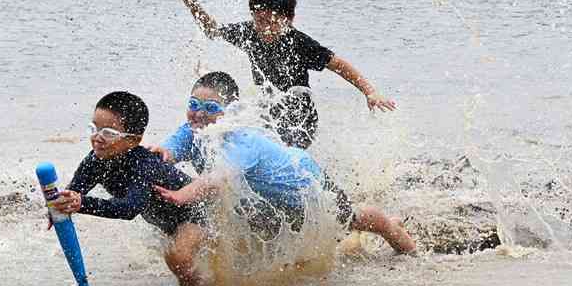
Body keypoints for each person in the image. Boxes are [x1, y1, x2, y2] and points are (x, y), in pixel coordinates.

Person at [150, 72, 416, 254]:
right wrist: (156, 152)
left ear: (230, 112)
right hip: (268, 199)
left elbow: (218, 180)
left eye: (210, 108)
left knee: (348, 219)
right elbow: (169, 150)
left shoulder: (241, 141)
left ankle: (396, 235)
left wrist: (182, 194)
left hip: (304, 183)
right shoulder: (192, 130)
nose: (199, 113)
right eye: (194, 103)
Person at [175, 0, 396, 149]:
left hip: (300, 118)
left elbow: (339, 65)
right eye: (258, 20)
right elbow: (212, 30)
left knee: (281, 155)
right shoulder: (249, 33)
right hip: (268, 110)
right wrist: (192, 4)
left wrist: (370, 92)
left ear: (288, 19)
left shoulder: (299, 42)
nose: (263, 28)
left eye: (269, 22)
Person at [50, 91, 211, 286]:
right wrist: (58, 208)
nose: (97, 138)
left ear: (133, 140)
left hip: (197, 213)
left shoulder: (143, 164)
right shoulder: (94, 161)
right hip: (168, 222)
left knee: (178, 258)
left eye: (108, 133)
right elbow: (74, 193)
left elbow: (129, 209)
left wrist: (81, 203)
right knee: (180, 260)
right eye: (94, 128)